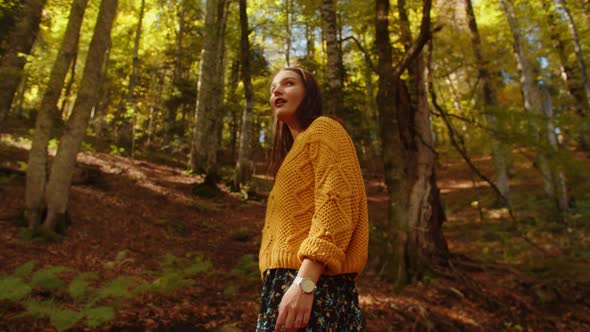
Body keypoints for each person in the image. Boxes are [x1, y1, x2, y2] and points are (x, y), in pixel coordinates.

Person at [256, 67, 369, 332]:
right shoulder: (294, 152)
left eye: (289, 83)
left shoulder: (325, 129)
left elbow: (337, 204)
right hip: (285, 287)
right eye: (273, 86)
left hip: (313, 285)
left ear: (309, 94)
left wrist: (304, 283)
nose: (277, 90)